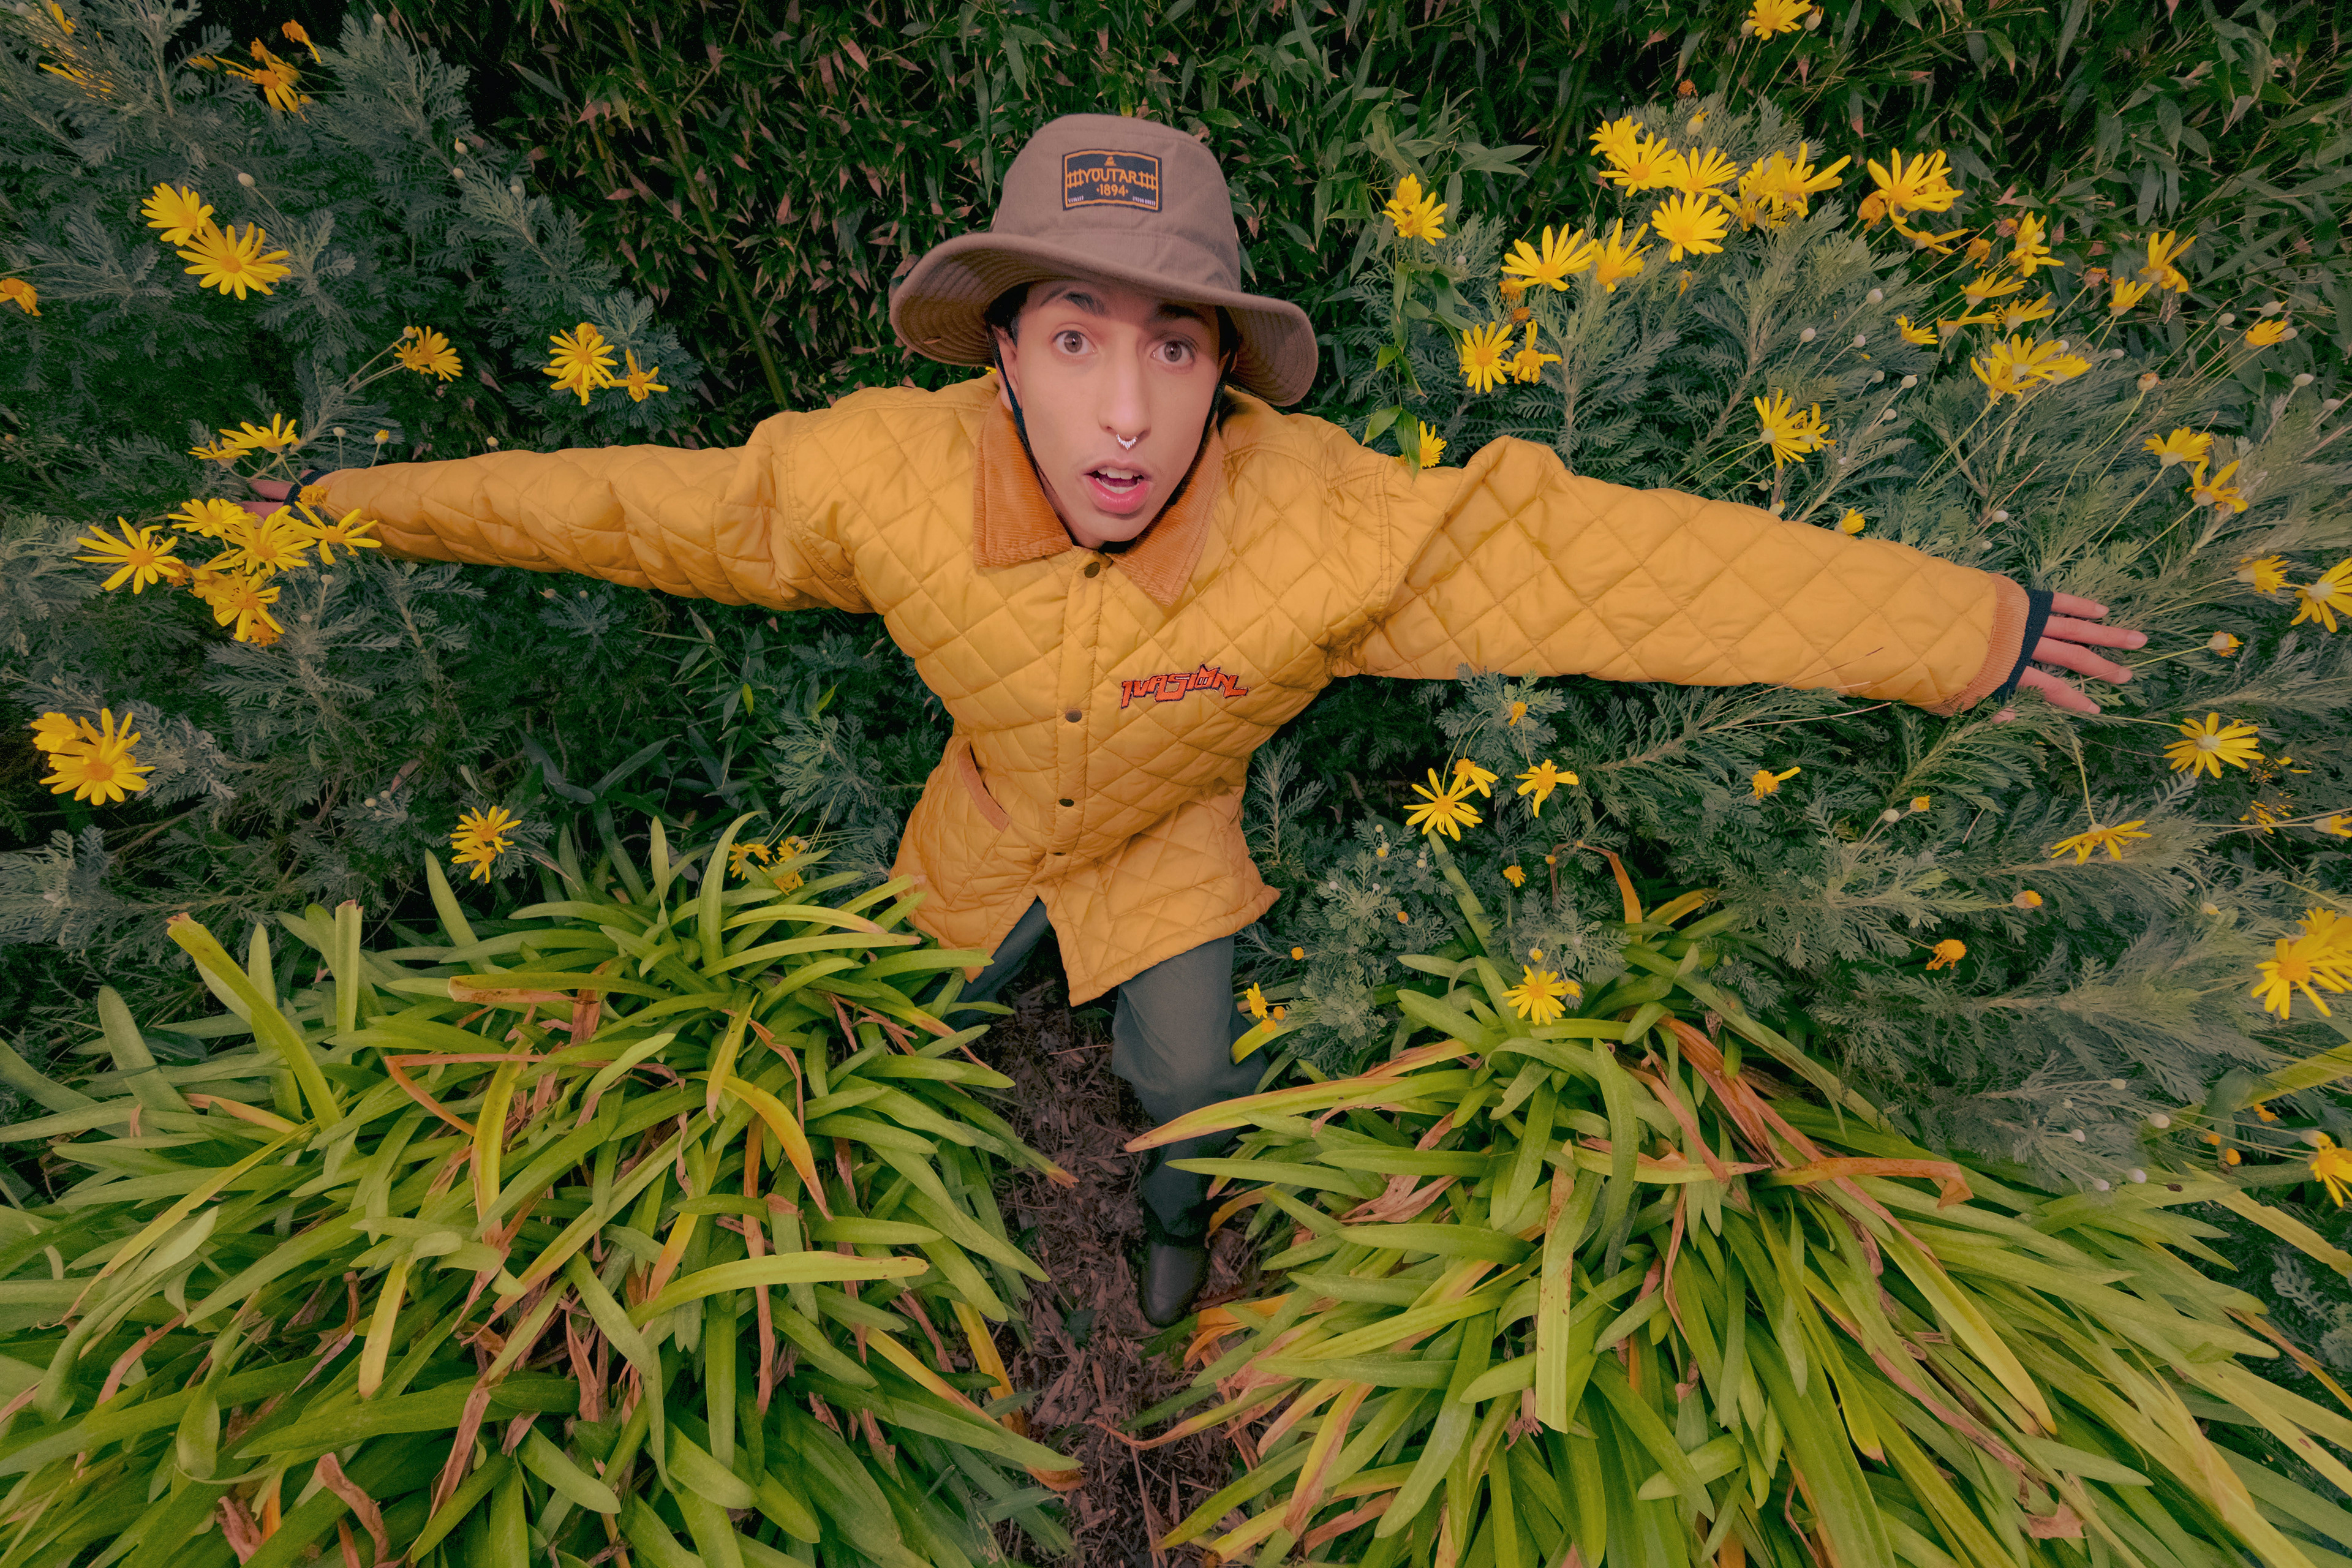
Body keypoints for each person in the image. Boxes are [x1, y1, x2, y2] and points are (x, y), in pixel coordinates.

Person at [258, 113, 2145, 1327]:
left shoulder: (1327, 523)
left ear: (1226, 368)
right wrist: (349, 505)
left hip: (1170, 847)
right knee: (908, 1016)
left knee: (1192, 1084)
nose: (1127, 413)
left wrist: (1966, 629)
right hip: (986, 821)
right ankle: (908, 1229)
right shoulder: (866, 478)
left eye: (1174, 347)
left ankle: (1174, 1233)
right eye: (1077, 338)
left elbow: (1614, 569)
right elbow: (622, 505)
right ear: (1002, 353)